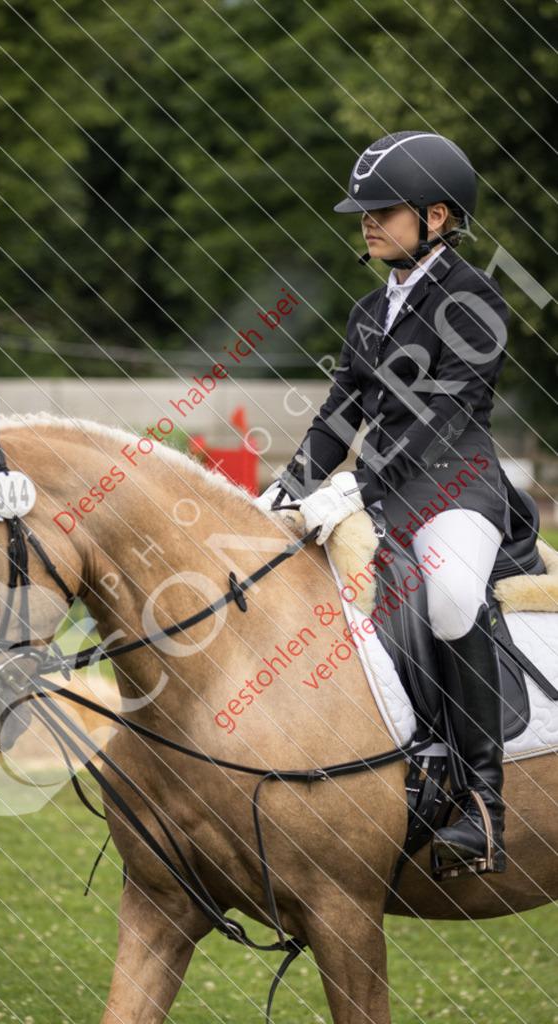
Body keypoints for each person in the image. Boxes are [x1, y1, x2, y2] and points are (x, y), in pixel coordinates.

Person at [257, 130, 510, 875]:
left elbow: (440, 415)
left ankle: (483, 801)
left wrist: (353, 489)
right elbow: (339, 416)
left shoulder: (472, 298)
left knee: (450, 598)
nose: (366, 221)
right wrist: (281, 492)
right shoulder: (371, 308)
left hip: (454, 492)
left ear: (436, 217)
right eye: (362, 211)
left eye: (383, 210)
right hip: (382, 501)